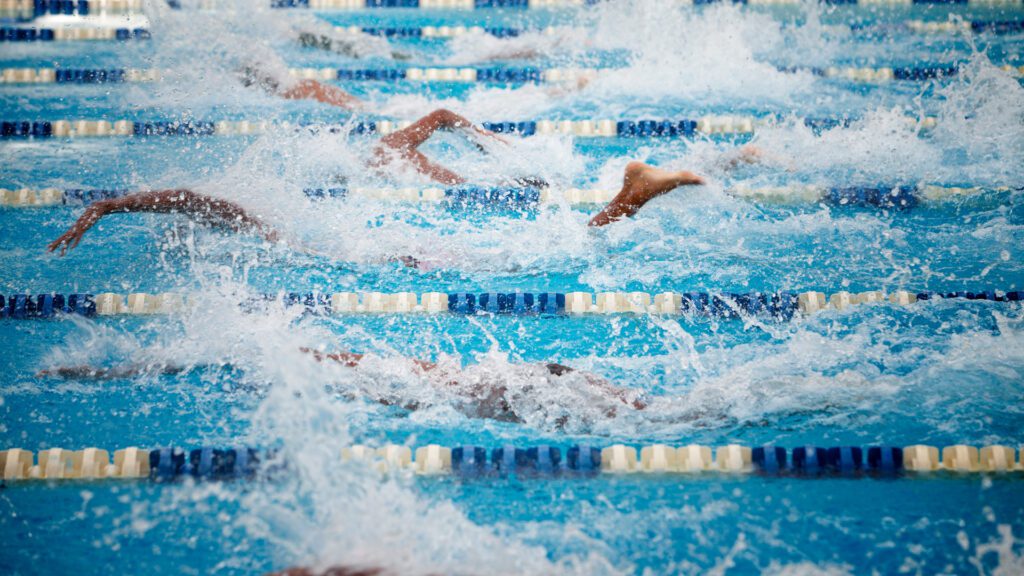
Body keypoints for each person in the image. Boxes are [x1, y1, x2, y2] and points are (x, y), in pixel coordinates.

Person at [46, 110, 707, 256]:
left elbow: (197, 200)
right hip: (394, 242)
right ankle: (627, 199)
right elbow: (198, 202)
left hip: (387, 250)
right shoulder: (297, 216)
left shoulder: (277, 228)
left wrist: (108, 206)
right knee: (524, 253)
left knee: (518, 258)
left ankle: (629, 199)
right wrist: (108, 208)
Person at [37, 347, 647, 425]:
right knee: (655, 418)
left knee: (653, 421)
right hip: (526, 379)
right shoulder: (392, 373)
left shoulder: (376, 377)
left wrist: (99, 373)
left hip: (511, 391)